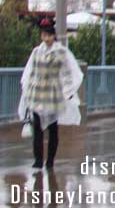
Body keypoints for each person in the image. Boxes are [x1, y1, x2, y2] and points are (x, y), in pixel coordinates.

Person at [18, 18, 83, 169]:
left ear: (54, 36)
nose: (46, 38)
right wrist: (27, 90)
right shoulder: (36, 52)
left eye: (49, 35)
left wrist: (68, 91)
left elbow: (69, 73)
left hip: (53, 93)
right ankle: (38, 159)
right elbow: (30, 72)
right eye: (44, 35)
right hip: (37, 92)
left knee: (53, 129)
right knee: (37, 128)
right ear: (41, 36)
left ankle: (50, 161)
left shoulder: (61, 52)